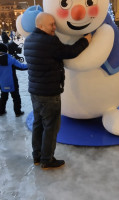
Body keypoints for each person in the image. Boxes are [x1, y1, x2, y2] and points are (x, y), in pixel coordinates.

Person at [24, 12, 92, 169]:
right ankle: (47, 160)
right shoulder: (49, 41)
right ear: (40, 25)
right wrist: (85, 41)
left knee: (38, 124)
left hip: (35, 92)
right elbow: (70, 52)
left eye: (55, 24)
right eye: (51, 24)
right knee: (51, 127)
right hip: (49, 93)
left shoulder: (28, 41)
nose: (55, 27)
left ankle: (37, 156)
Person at [0, 43, 28, 117]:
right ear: (6, 50)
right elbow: (21, 67)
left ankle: (1, 111)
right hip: (13, 83)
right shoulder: (11, 59)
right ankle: (17, 112)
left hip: (3, 84)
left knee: (3, 97)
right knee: (16, 98)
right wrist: (30, 65)